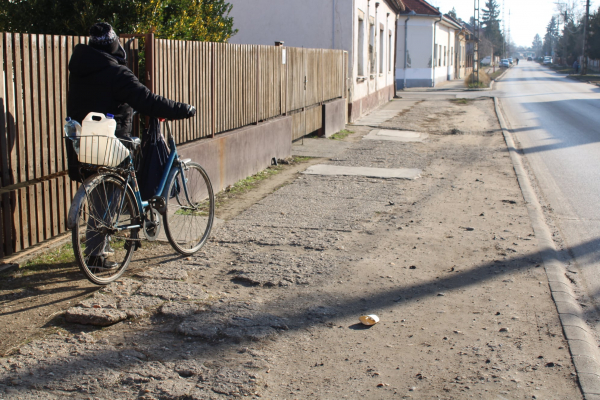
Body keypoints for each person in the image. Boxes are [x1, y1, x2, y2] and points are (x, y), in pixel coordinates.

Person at [67, 22, 196, 269]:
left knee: (100, 194)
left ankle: (98, 247)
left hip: (83, 142)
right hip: (111, 142)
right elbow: (148, 100)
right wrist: (182, 109)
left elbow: (98, 98)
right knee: (111, 195)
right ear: (115, 44)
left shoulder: (80, 69)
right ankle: (96, 256)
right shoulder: (116, 72)